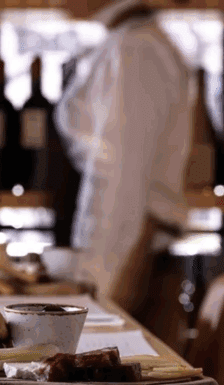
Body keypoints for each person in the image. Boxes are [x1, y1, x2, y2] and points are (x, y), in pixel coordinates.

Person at [55, 0, 193, 348]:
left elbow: (124, 179)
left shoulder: (136, 51)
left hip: (131, 267)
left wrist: (103, 292)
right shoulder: (130, 44)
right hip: (131, 259)